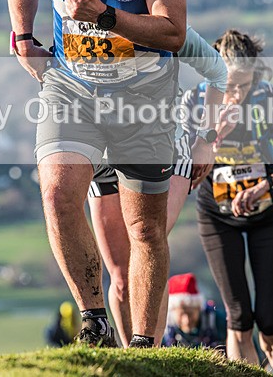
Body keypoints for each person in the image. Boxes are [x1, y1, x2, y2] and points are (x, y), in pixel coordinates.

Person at [8, 0, 187, 347]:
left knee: (145, 229)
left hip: (143, 96)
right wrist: (23, 38)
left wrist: (104, 15)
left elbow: (172, 33)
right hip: (73, 89)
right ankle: (93, 319)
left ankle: (145, 344)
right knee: (56, 194)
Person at [88, 25, 226, 346]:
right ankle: (131, 358)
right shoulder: (89, 23)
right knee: (121, 275)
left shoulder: (162, 24)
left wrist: (206, 140)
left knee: (149, 243)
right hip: (105, 155)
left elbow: (218, 71)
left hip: (164, 147)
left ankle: (148, 351)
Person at [194, 29, 273, 372]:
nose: (235, 94)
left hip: (269, 215)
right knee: (238, 318)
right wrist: (213, 135)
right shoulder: (197, 100)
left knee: (269, 319)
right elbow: (178, 161)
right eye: (227, 85)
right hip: (217, 216)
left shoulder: (271, 99)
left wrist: (266, 186)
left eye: (243, 85)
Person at [161, 272, 223, 349]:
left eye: (190, 314)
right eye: (181, 314)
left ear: (198, 308)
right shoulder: (163, 326)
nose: (186, 320)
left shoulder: (215, 319)